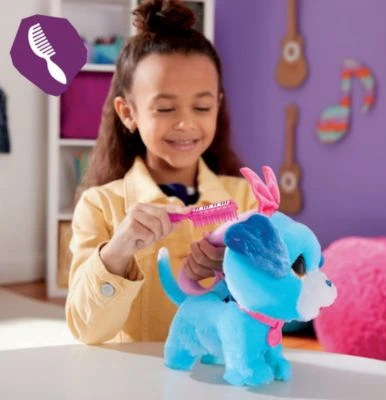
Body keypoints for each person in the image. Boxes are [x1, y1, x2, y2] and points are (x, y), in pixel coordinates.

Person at [66, 0, 257, 345]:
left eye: (202, 107)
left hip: (221, 369)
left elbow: (276, 306)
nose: (185, 123)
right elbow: (87, 331)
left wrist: (236, 273)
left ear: (218, 105)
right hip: (135, 373)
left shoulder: (244, 198)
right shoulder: (100, 206)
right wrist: (117, 252)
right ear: (128, 113)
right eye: (165, 108)